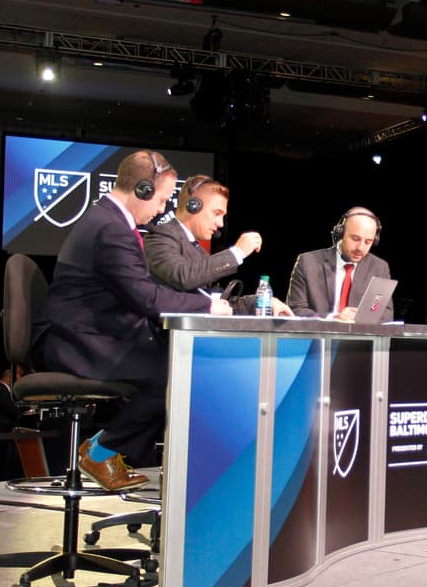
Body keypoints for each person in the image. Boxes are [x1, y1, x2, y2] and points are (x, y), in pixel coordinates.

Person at [32, 150, 232, 492]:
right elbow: (148, 298)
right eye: (163, 199)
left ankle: (107, 449)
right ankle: (102, 452)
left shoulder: (109, 221)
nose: (162, 209)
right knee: (172, 377)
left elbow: (139, 294)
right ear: (142, 190)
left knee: (171, 367)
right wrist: (208, 307)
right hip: (74, 340)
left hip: (91, 331)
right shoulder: (111, 229)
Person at [146, 175, 291, 315]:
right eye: (217, 213)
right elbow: (182, 277)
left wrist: (261, 301)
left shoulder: (199, 252)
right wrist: (237, 252)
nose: (220, 223)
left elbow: (217, 301)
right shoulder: (159, 236)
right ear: (193, 206)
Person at [288, 207, 394, 321]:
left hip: (358, 338)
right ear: (340, 233)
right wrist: (333, 318)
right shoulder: (308, 262)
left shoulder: (380, 267)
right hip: (318, 336)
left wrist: (361, 317)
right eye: (355, 239)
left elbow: (386, 315)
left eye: (368, 242)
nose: (361, 248)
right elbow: (295, 310)